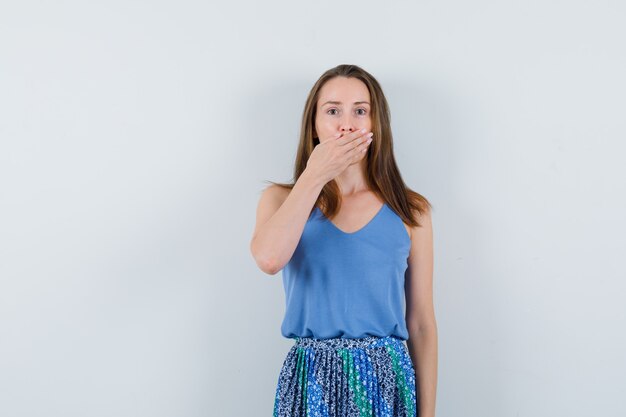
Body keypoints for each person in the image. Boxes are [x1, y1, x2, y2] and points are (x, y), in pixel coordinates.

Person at [250, 64, 437, 417]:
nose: (347, 124)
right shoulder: (280, 200)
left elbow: (422, 323)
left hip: (385, 381)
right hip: (310, 380)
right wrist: (316, 174)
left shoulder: (411, 211)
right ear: (315, 126)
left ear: (375, 125)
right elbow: (269, 259)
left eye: (360, 111)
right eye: (333, 110)